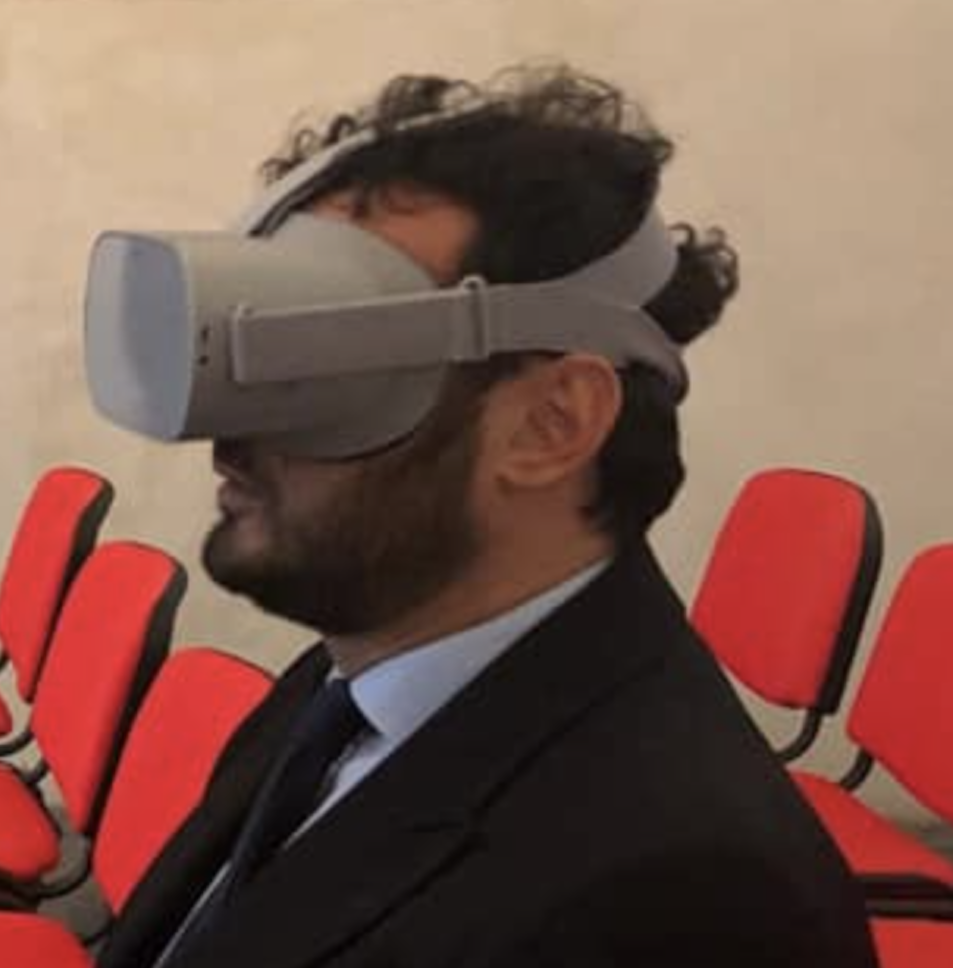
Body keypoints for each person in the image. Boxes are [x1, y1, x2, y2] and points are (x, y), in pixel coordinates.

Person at [94, 64, 878, 968]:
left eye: (319, 375)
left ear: (552, 425)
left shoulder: (683, 901)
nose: (229, 440)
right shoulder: (351, 687)